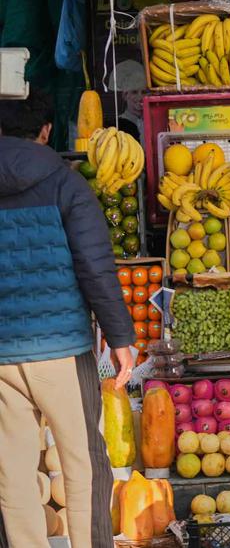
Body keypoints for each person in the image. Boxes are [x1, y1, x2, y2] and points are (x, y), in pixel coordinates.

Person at [0, 92, 135, 548]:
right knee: (84, 464)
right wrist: (120, 338)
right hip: (61, 349)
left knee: (13, 473)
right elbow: (95, 266)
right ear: (45, 132)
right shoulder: (66, 184)